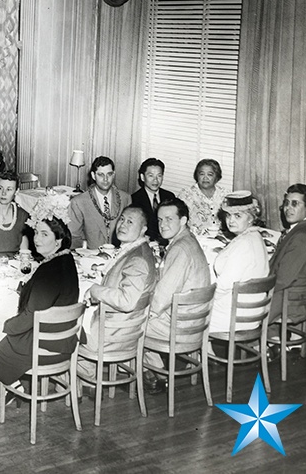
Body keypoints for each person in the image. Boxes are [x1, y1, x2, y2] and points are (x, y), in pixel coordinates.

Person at [0, 215, 79, 407]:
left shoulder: (48, 271)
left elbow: (29, 317)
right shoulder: (67, 260)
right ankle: (2, 386)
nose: (37, 239)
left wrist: (2, 327)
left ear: (58, 241)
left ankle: (9, 385)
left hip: (42, 347)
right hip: (62, 342)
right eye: (36, 233)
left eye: (44, 234)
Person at [78, 206, 158, 379]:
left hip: (114, 335)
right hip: (120, 328)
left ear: (143, 229)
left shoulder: (138, 260)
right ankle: (88, 375)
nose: (122, 225)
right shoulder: (137, 250)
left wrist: (95, 291)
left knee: (61, 329)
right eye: (122, 219)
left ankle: (85, 378)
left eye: (130, 222)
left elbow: (127, 301)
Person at [142, 198, 211, 394]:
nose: (163, 225)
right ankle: (156, 372)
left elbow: (160, 300)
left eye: (169, 219)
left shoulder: (180, 248)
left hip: (180, 327)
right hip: (195, 321)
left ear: (183, 221)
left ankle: (155, 375)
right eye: (160, 219)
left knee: (130, 322)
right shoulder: (188, 240)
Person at [208, 192, 269, 334]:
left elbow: (224, 285)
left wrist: (202, 300)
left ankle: (201, 354)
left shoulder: (243, 245)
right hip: (253, 311)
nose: (230, 221)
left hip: (234, 316)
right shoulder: (255, 237)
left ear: (251, 218)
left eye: (238, 216)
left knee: (186, 316)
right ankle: (206, 352)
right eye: (228, 215)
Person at [268, 184, 306, 336]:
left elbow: (282, 280)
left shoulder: (301, 238)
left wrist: (257, 291)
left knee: (231, 308)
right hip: (294, 296)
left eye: (295, 204)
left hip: (288, 302)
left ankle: (239, 351)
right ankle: (271, 340)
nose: (288, 208)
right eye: (287, 203)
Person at [68, 156, 131, 249]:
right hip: (90, 257)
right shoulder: (79, 202)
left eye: (109, 174)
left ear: (114, 174)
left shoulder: (125, 198)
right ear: (93, 175)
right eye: (101, 175)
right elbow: (74, 238)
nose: (105, 179)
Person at [178, 159, 228, 236]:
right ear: (196, 176)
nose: (205, 178)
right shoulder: (186, 195)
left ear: (217, 177)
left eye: (210, 174)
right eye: (202, 174)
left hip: (222, 239)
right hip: (195, 239)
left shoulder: (225, 194)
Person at [130, 157, 176, 243]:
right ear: (142, 177)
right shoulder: (134, 199)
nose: (155, 180)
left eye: (159, 175)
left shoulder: (169, 196)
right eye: (150, 175)